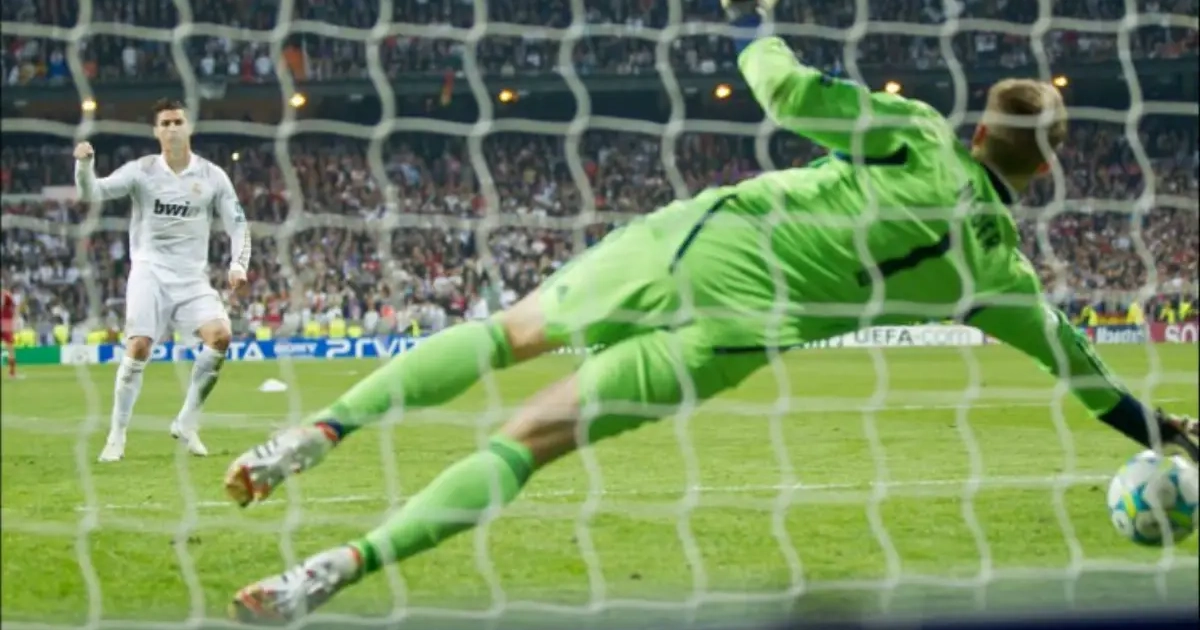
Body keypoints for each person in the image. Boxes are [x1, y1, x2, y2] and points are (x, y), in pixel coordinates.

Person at [223, 1, 1198, 622]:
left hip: (694, 251)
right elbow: (1087, 382)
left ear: (980, 127)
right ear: (1045, 170)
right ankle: (338, 570)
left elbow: (782, 89)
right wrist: (1170, 432)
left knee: (506, 336)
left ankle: (316, 434)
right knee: (526, 445)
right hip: (740, 339)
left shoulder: (914, 135)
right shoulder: (1003, 279)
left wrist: (749, 23)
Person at [74, 98, 251, 462]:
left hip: (192, 278)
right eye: (165, 123)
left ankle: (186, 422)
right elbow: (92, 193)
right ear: (156, 131)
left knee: (221, 337)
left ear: (189, 127)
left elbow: (238, 223)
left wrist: (238, 265)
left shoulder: (213, 176)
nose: (172, 128)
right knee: (139, 346)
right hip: (150, 272)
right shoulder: (141, 171)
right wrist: (84, 165)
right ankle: (117, 435)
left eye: (177, 122)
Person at [1, 287, 18, 379]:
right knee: (10, 349)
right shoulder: (7, 294)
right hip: (6, 323)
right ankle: (12, 373)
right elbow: (14, 308)